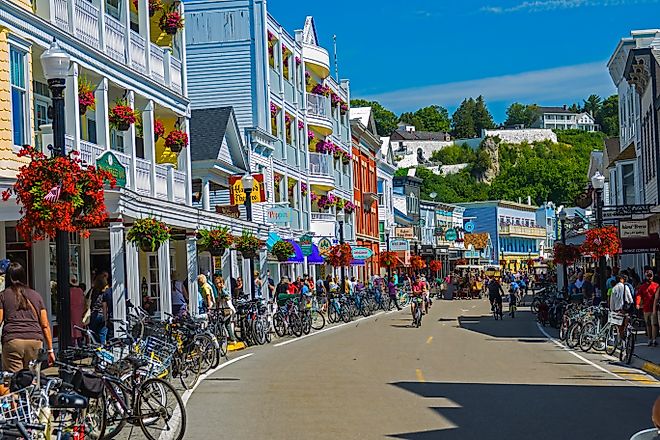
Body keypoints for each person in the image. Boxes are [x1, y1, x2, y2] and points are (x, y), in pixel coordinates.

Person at [0, 262, 55, 371]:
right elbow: (45, 324)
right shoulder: (36, 295)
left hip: (13, 340)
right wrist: (50, 350)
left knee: (13, 379)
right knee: (32, 377)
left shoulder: (3, 295)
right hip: (34, 340)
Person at [89, 272, 112, 344]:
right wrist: (106, 318)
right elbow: (105, 306)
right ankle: (102, 349)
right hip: (102, 314)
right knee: (102, 334)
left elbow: (89, 301)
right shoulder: (106, 292)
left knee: (93, 334)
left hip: (94, 314)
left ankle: (95, 349)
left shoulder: (93, 291)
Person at [637, 270, 658, 346]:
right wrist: (638, 304)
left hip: (654, 307)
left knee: (654, 324)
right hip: (646, 308)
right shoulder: (642, 287)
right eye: (648, 276)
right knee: (648, 324)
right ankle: (650, 339)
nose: (649, 277)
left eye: (650, 276)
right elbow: (639, 295)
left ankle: (654, 339)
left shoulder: (656, 285)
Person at [214, 276, 237, 343]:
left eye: (217, 283)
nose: (216, 284)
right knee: (227, 324)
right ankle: (232, 339)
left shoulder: (224, 288)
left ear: (221, 283)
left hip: (227, 309)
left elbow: (228, 296)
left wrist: (222, 290)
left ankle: (224, 338)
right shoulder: (218, 290)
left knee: (222, 323)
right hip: (222, 308)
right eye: (215, 283)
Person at [70, 277, 85, 347]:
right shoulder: (80, 291)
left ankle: (73, 346)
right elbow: (83, 302)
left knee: (72, 330)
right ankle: (80, 345)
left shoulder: (69, 291)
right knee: (78, 329)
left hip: (71, 312)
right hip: (79, 312)